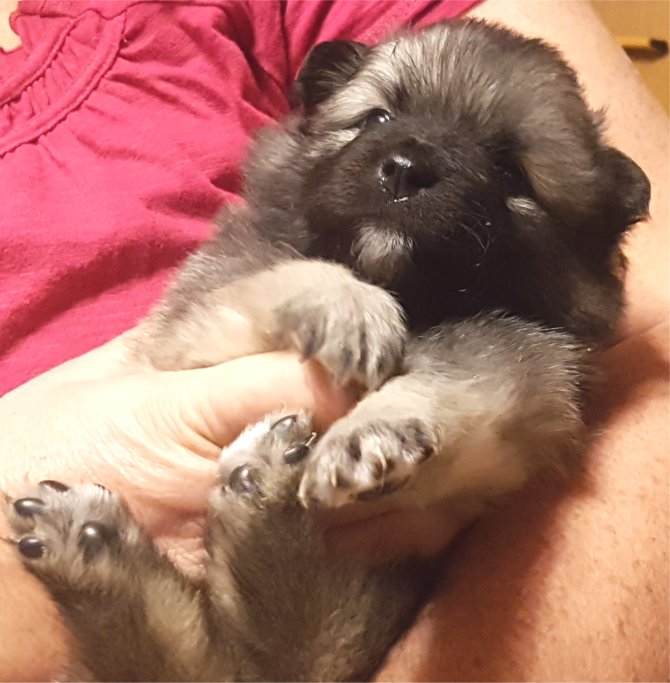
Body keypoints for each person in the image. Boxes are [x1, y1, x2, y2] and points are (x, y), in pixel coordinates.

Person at [0, 1, 667, 681]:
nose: (407, 161)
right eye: (374, 119)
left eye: (511, 174)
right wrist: (302, 296)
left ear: (599, 228)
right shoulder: (260, 252)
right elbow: (189, 336)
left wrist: (412, 418)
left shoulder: (517, 344)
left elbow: (525, 407)